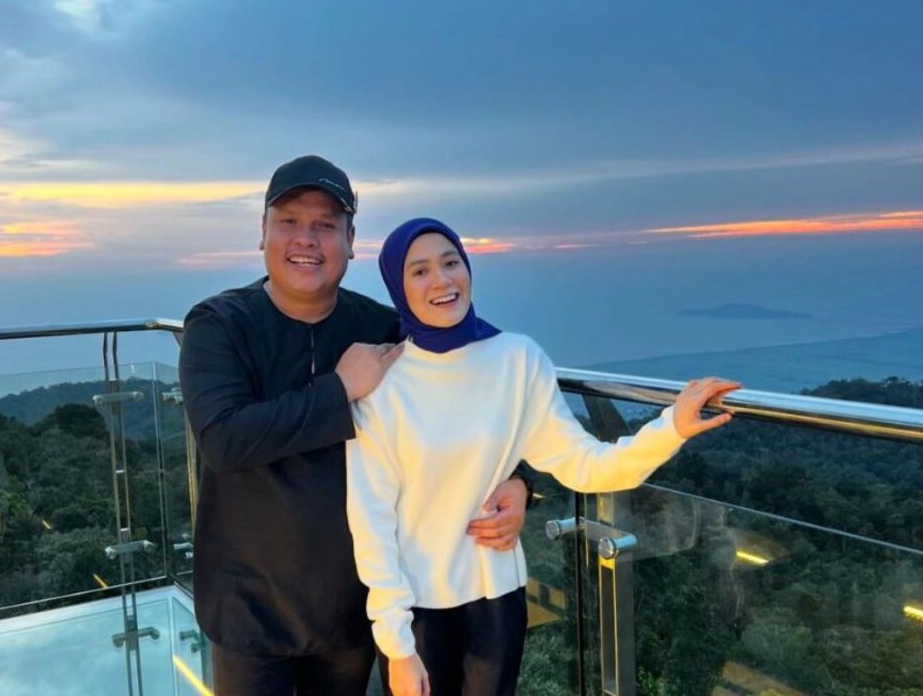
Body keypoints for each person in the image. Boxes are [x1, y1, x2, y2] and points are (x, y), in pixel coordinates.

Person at [178, 157, 530, 696]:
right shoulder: (219, 325)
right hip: (249, 611)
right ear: (263, 232)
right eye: (289, 221)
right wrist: (340, 389)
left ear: (350, 241)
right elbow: (224, 440)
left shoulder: (381, 329)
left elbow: (480, 390)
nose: (306, 239)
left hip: (349, 609)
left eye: (325, 225)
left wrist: (521, 478)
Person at [345, 218, 742, 696]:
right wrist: (396, 644)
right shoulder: (384, 384)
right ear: (398, 286)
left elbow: (587, 466)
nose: (442, 280)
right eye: (420, 271)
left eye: (451, 263)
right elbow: (370, 521)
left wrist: (670, 426)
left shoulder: (517, 361)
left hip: (496, 598)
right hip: (415, 609)